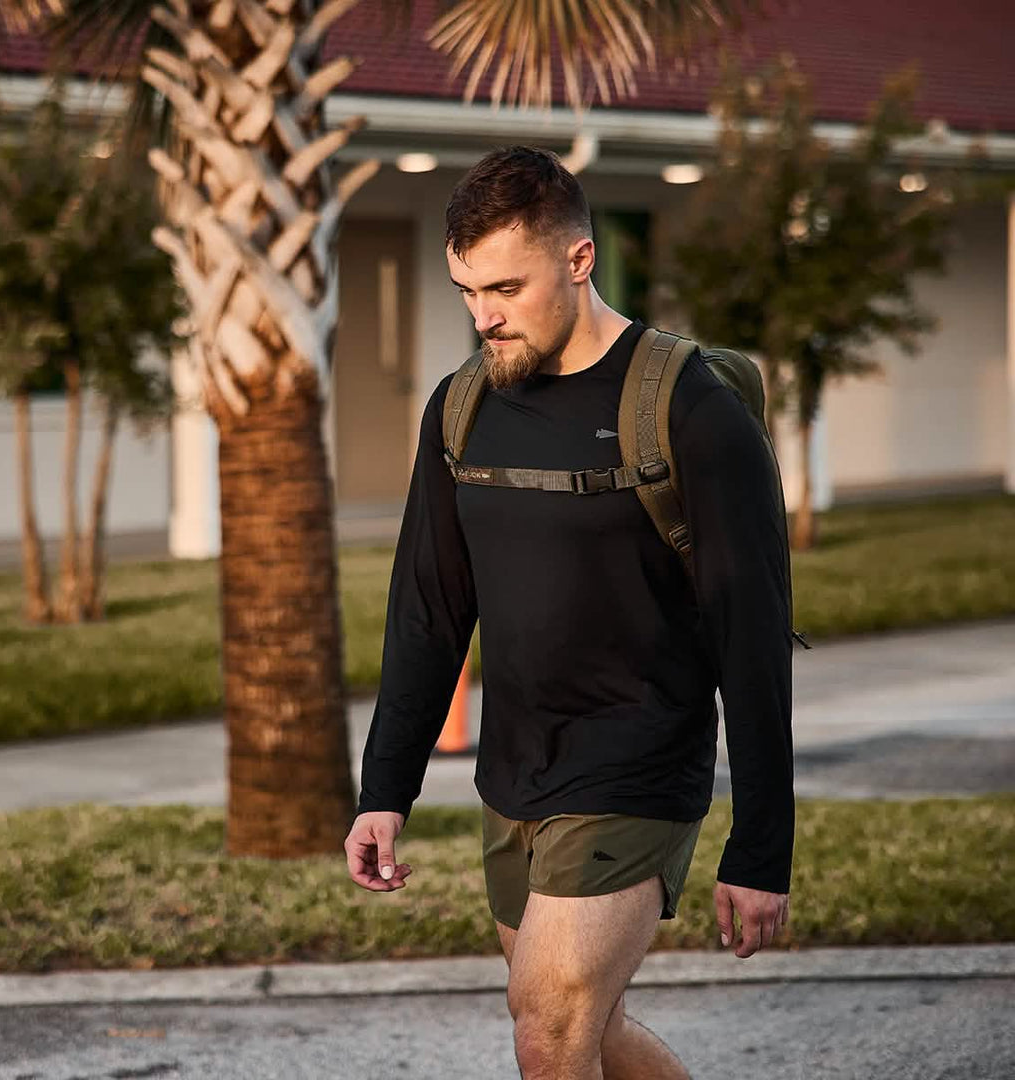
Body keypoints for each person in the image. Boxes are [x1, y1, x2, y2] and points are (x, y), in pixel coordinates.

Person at [343, 144, 794, 1080]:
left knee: (546, 1026)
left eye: (504, 287)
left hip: (637, 761)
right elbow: (429, 608)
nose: (483, 316)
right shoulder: (463, 408)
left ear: (580, 260)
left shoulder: (692, 414)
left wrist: (762, 845)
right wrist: (386, 787)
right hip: (515, 773)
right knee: (585, 1032)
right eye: (467, 291)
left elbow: (751, 639)